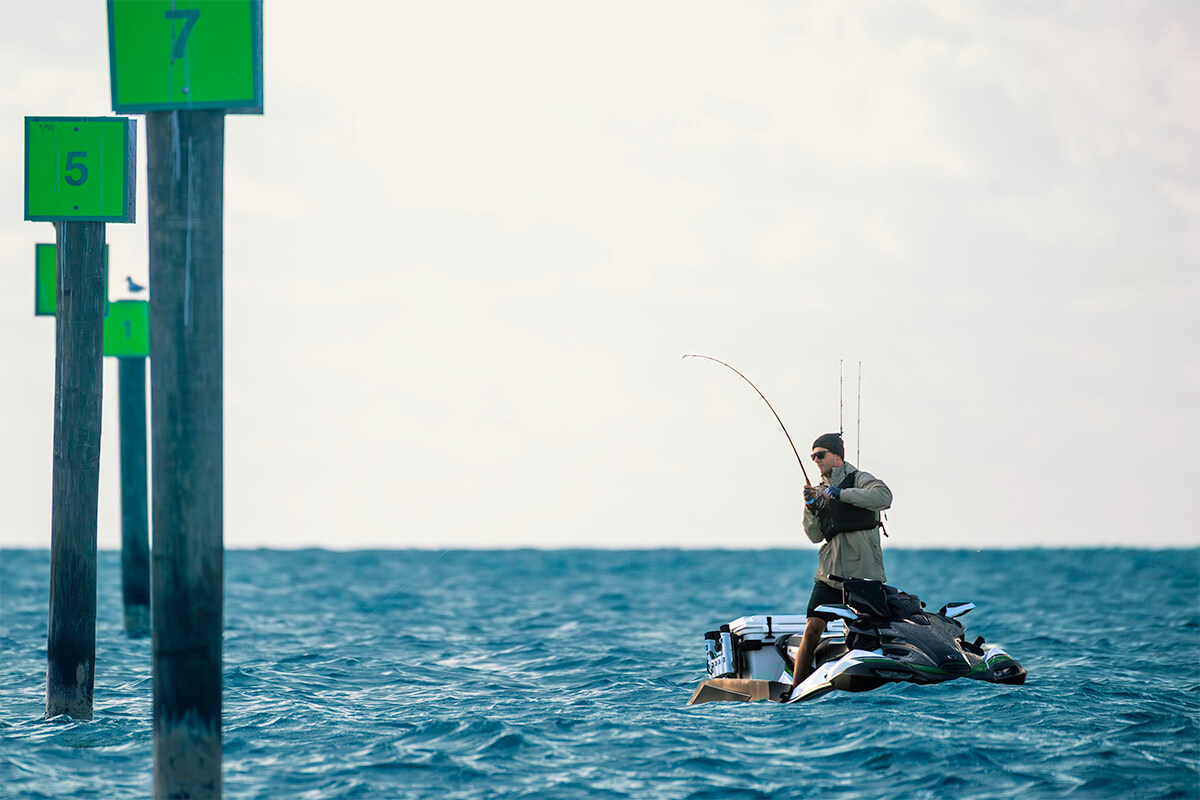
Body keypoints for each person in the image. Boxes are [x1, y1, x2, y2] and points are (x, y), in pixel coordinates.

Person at [789, 432, 892, 691]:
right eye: (812, 456)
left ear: (836, 455)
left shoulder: (860, 479)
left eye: (820, 455)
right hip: (830, 575)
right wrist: (811, 507)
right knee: (812, 628)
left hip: (863, 575)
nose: (815, 460)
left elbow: (884, 497)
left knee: (869, 634)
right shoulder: (820, 491)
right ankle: (796, 688)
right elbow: (814, 536)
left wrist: (841, 494)